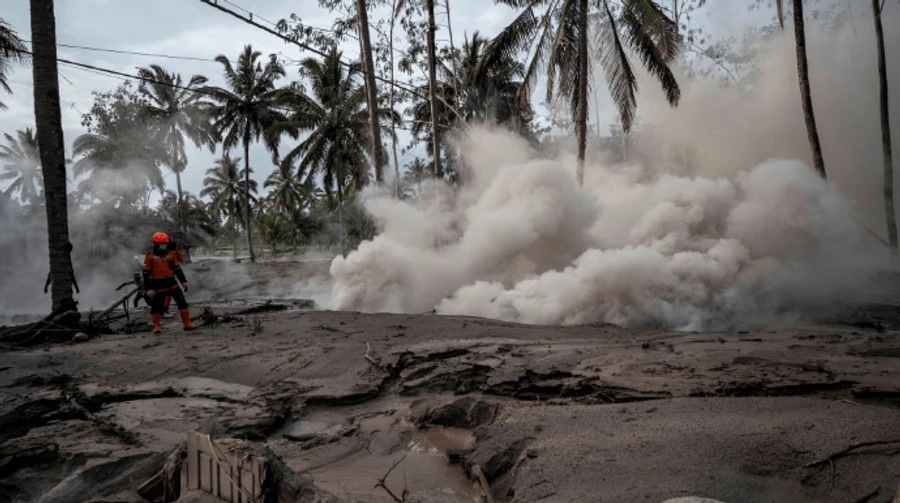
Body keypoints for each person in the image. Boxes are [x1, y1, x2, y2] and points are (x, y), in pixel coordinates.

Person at [142, 232, 195, 333]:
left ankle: (187, 323)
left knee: (182, 301)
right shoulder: (149, 257)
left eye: (165, 244)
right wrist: (148, 288)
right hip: (157, 285)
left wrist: (183, 281)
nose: (164, 246)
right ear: (156, 244)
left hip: (172, 283)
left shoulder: (170, 255)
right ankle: (156, 326)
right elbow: (145, 274)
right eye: (162, 244)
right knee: (156, 306)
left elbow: (177, 269)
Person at [161, 240, 185, 318]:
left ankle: (165, 310)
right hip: (164, 279)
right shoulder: (166, 255)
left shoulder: (172, 254)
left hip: (170, 277)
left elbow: (180, 260)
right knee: (167, 295)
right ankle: (163, 311)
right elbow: (178, 266)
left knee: (168, 295)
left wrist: (176, 250)